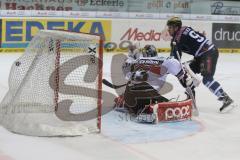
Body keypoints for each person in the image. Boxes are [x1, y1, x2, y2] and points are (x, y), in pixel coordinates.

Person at [166, 16, 234, 112]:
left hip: (208, 53)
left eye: (170, 27)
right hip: (203, 54)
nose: (168, 30)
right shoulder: (186, 28)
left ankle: (226, 99)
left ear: (176, 27)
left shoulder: (176, 40)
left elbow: (174, 61)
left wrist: (165, 69)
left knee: (207, 79)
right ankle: (190, 100)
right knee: (186, 74)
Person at [120, 44, 195, 115]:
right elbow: (183, 77)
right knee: (168, 108)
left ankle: (137, 107)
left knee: (135, 97)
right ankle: (152, 109)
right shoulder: (166, 61)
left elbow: (127, 74)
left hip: (129, 95)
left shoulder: (135, 61)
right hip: (146, 94)